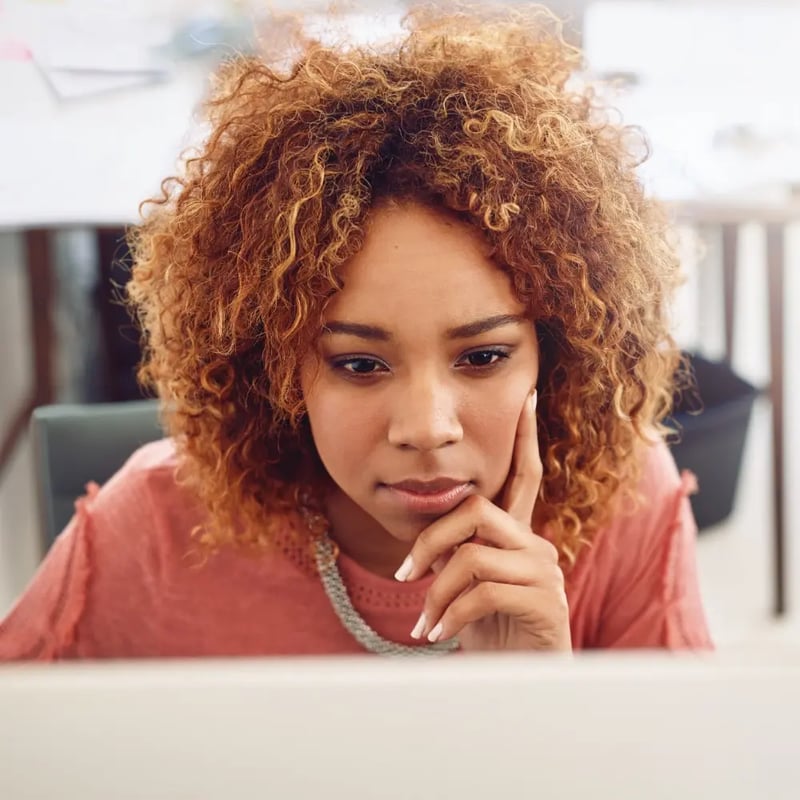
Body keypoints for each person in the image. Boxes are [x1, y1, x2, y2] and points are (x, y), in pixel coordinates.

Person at [0, 4, 711, 660]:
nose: (427, 429)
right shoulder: (149, 532)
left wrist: (536, 694)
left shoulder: (627, 507)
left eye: (485, 355)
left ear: (553, 355)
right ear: (273, 364)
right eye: (360, 365)